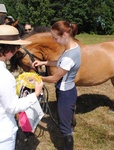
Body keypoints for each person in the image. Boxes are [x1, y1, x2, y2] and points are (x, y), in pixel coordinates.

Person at [32, 20, 81, 150]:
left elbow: (54, 78)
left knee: (65, 128)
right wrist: (43, 63)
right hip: (68, 90)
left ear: (65, 35)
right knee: (66, 121)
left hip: (65, 94)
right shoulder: (73, 47)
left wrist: (37, 77)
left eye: (55, 38)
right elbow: (59, 62)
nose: (54, 41)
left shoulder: (68, 57)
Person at [0, 24, 43, 150]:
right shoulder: (5, 77)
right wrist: (35, 94)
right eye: (16, 48)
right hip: (3, 135)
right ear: (9, 50)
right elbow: (12, 107)